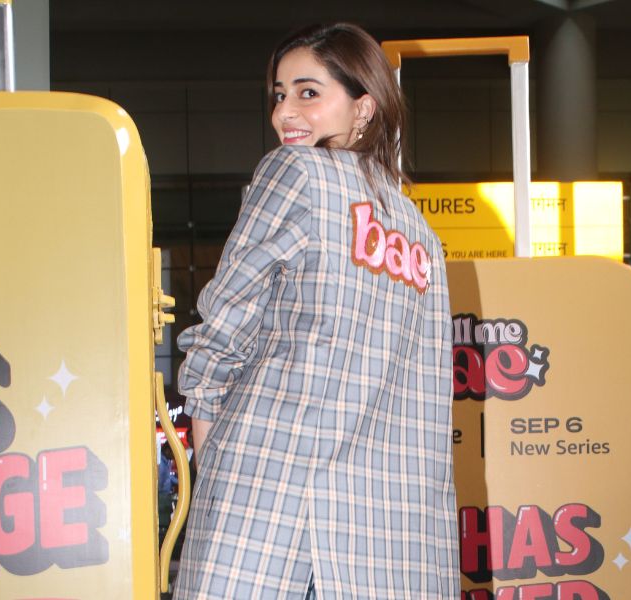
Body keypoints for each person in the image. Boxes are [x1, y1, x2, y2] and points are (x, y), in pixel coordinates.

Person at [172, 23, 459, 599]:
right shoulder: (418, 231)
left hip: (271, 494)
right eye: (279, 95)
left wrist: (212, 459)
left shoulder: (295, 172)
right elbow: (425, 386)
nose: (285, 113)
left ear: (363, 107)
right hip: (383, 526)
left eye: (308, 92)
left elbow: (223, 326)